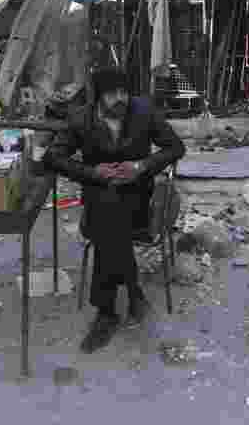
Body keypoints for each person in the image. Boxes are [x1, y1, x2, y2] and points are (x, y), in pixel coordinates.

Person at [45, 67, 185, 353]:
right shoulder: (80, 119)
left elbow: (175, 147)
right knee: (108, 207)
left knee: (108, 220)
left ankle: (106, 312)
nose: (120, 99)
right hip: (99, 197)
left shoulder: (144, 112)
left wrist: (141, 167)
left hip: (139, 199)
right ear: (98, 96)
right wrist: (94, 172)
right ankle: (133, 292)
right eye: (112, 94)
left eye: (124, 92)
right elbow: (54, 158)